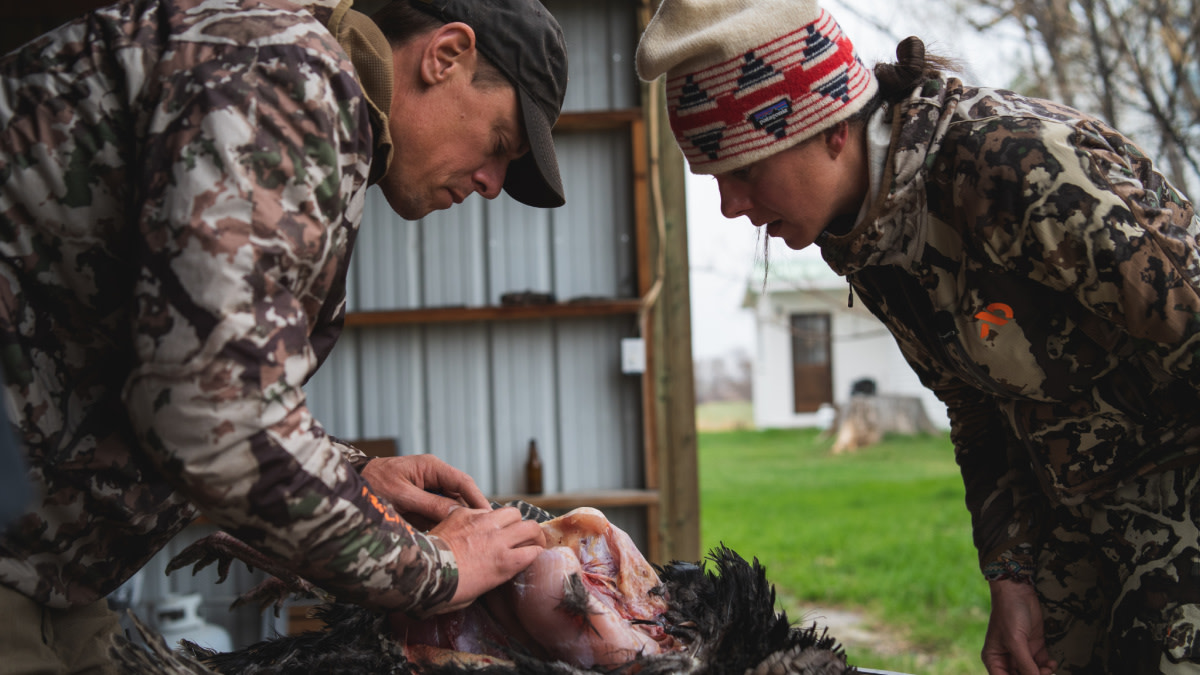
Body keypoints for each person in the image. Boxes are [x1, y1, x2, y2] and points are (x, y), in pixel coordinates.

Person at [0, 0, 567, 671]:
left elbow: (191, 365)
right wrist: (438, 569)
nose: (493, 184)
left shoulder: (307, 101)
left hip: (47, 575)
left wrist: (358, 476)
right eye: (500, 145)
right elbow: (214, 417)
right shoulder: (282, 76)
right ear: (446, 55)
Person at [637, 1, 1200, 674]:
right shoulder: (863, 237)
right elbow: (974, 401)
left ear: (831, 131)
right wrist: (1012, 575)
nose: (731, 206)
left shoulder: (1016, 167)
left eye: (744, 170)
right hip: (1078, 516)